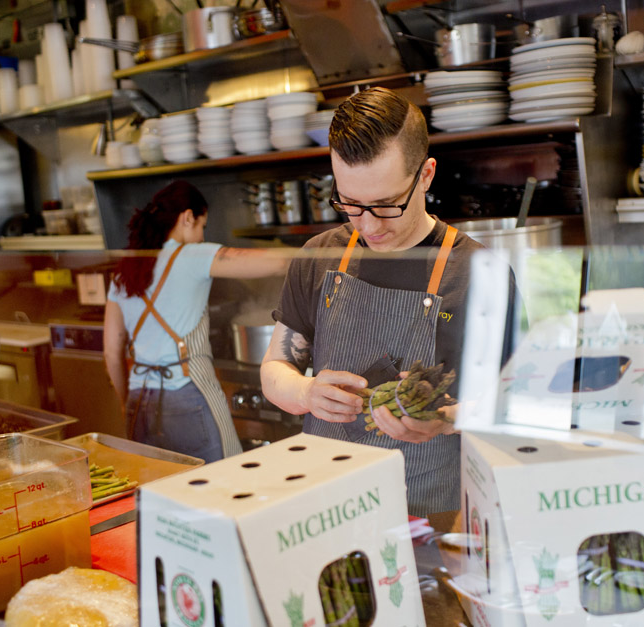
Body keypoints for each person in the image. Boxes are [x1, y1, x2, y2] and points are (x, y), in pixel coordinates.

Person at [260, 87, 519, 516]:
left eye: (385, 204)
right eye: (350, 203)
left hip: (429, 514)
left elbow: (511, 405)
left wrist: (446, 418)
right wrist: (307, 392)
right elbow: (275, 369)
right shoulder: (319, 256)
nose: (368, 225)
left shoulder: (478, 271)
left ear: (426, 175)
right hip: (325, 507)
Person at [104, 180, 287, 463]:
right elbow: (276, 263)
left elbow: (111, 352)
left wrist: (122, 402)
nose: (202, 236)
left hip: (139, 400)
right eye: (202, 226)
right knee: (219, 484)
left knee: (163, 491)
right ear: (187, 217)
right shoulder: (191, 254)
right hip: (187, 395)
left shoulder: (124, 270)